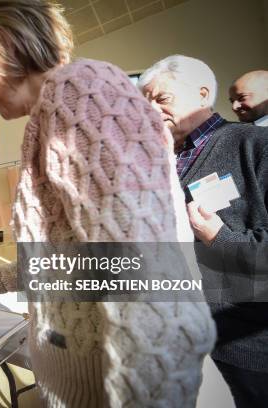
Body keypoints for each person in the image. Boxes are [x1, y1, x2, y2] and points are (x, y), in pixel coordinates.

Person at [0, 1, 215, 407]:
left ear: (4, 45)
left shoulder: (81, 91)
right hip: (80, 376)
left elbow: (141, 270)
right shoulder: (52, 112)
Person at [138, 55, 268, 408]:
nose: (150, 109)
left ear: (202, 94)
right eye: (143, 100)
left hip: (245, 347)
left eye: (161, 99)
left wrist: (218, 237)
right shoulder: (157, 163)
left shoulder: (255, 146)